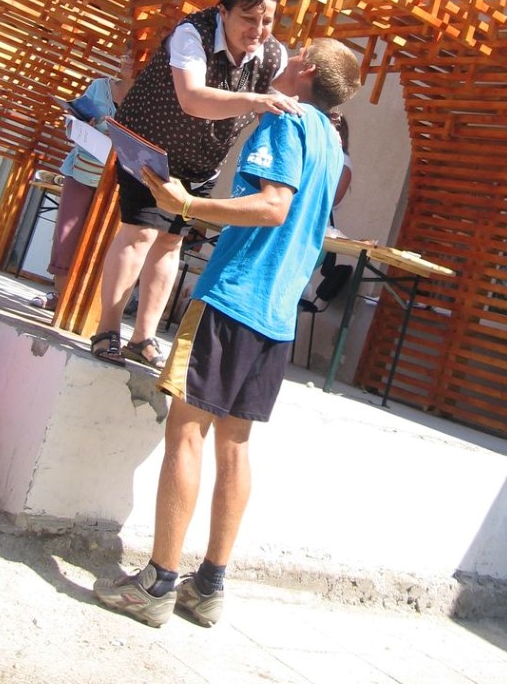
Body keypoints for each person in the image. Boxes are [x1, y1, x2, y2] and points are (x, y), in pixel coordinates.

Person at [92, 38, 361, 627]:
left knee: (186, 435)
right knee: (234, 445)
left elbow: (272, 206)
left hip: (232, 298)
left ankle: (157, 585)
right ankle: (209, 585)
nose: (282, 55)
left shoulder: (284, 120)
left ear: (305, 69)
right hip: (276, 318)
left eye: (297, 51)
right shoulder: (331, 140)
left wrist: (187, 204)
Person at [90, 0, 302, 370]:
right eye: (249, 19)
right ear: (223, 11)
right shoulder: (193, 33)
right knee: (140, 231)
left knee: (171, 241)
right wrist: (256, 100)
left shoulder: (273, 55)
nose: (258, 30)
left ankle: (143, 338)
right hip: (150, 144)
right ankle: (107, 330)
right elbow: (192, 99)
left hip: (202, 160)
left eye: (267, 21)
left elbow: (293, 94)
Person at [30, 54, 135, 312]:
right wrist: (79, 122)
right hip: (80, 170)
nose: (127, 59)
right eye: (127, 53)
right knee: (66, 235)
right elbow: (74, 123)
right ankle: (59, 295)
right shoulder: (99, 86)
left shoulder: (147, 98)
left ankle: (89, 306)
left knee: (103, 244)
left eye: (135, 56)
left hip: (117, 181)